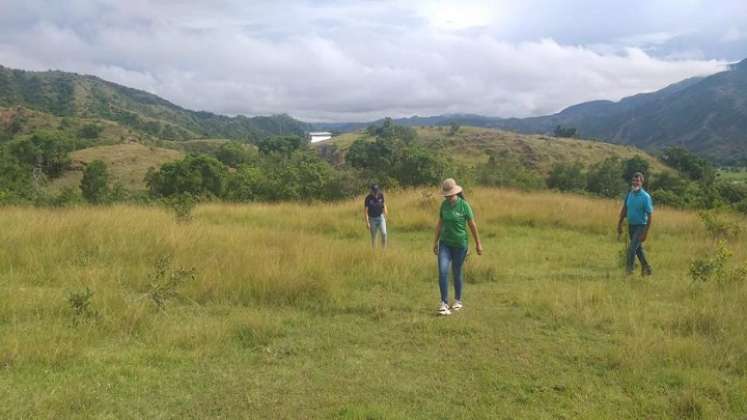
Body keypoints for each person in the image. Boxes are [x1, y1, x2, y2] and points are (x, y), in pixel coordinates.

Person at [432, 178, 483, 315]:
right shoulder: (444, 205)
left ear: (455, 192)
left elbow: (472, 225)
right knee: (443, 271)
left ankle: (458, 300)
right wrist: (435, 241)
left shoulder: (464, 205)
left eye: (449, 194)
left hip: (460, 245)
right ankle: (444, 303)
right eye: (446, 195)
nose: (447, 197)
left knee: (456, 272)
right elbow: (440, 224)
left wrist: (478, 244)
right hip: (445, 244)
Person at [617, 172, 654, 276]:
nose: (635, 183)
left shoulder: (645, 197)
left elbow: (650, 216)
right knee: (638, 250)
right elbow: (625, 208)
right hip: (631, 226)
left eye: (638, 181)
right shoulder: (630, 194)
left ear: (642, 182)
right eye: (634, 180)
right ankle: (647, 268)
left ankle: (629, 271)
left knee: (631, 248)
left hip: (641, 226)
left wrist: (645, 233)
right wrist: (619, 223)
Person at [364, 184, 388, 249]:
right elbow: (365, 211)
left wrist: (385, 211)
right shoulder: (368, 198)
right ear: (371, 191)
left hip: (381, 217)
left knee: (384, 233)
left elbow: (383, 204)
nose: (375, 193)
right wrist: (367, 222)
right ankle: (374, 251)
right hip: (372, 219)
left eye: (376, 191)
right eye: (374, 191)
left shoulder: (381, 195)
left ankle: (384, 251)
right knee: (374, 236)